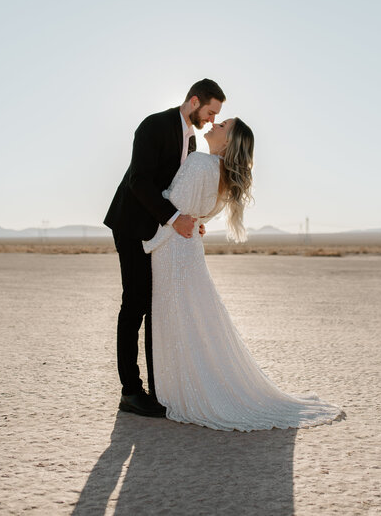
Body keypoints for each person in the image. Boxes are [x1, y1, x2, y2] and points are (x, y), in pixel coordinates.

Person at [143, 117, 345, 431]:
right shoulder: (220, 173)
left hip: (173, 250)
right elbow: (197, 213)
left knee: (177, 316)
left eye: (222, 126)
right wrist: (193, 221)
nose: (214, 126)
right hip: (189, 248)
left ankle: (177, 391)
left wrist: (148, 236)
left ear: (227, 142)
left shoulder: (199, 162)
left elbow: (173, 206)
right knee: (194, 316)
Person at [104, 79, 226, 417]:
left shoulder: (195, 147)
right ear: (194, 101)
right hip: (131, 226)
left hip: (161, 231)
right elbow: (138, 180)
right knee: (136, 303)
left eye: (218, 116)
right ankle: (131, 391)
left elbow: (177, 190)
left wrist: (193, 218)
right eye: (211, 112)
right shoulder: (154, 125)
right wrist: (175, 218)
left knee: (157, 305)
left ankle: (160, 388)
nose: (213, 120)